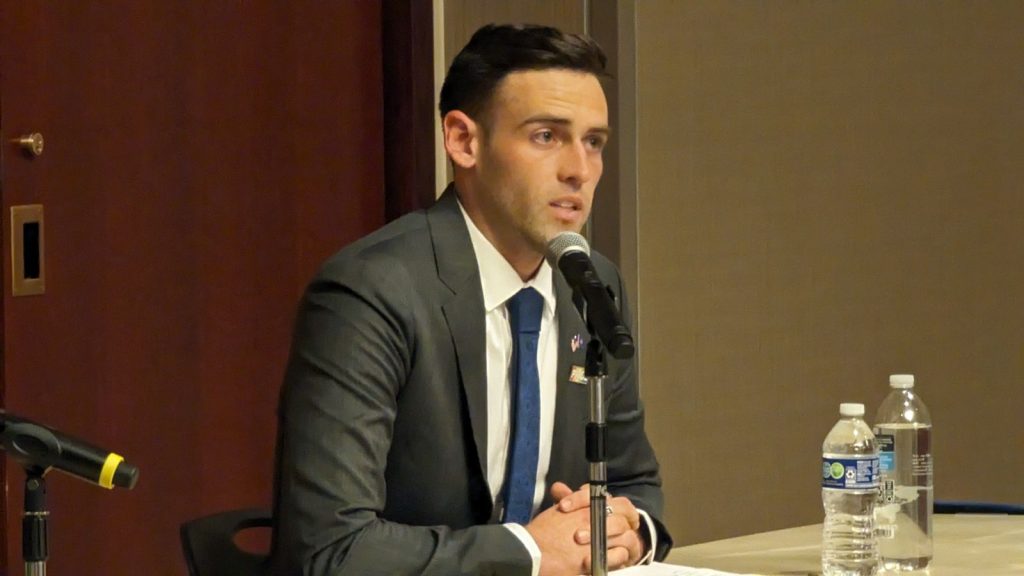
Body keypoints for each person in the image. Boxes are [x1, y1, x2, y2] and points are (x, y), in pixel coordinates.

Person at [271, 23, 672, 576]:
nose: (579, 170)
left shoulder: (591, 285)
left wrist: (628, 533)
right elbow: (330, 548)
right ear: (463, 141)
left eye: (594, 142)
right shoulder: (371, 292)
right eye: (546, 136)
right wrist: (530, 553)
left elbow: (634, 485)